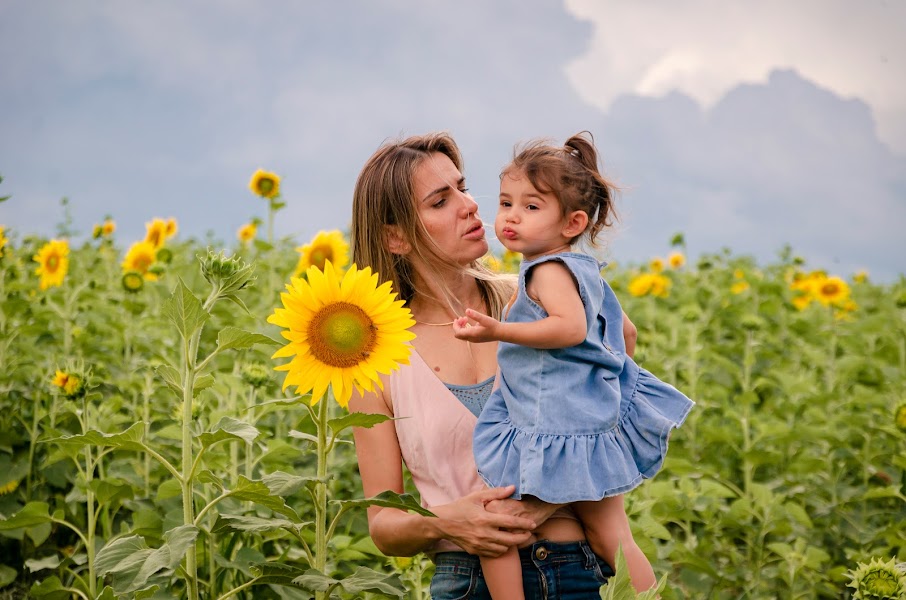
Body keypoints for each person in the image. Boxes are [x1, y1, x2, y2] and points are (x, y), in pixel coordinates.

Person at [348, 132, 638, 598]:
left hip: (577, 571)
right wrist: (449, 521)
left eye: (462, 187)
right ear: (395, 237)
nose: (469, 205)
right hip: (468, 583)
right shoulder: (376, 358)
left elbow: (615, 385)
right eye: (441, 201)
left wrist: (547, 496)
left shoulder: (541, 298)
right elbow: (382, 524)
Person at [451, 132, 695, 598]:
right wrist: (599, 386)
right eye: (505, 203)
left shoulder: (546, 271)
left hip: (550, 425)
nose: (511, 217)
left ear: (573, 222)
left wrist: (498, 331)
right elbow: (626, 334)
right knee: (612, 535)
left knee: (497, 524)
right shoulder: (584, 269)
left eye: (532, 207)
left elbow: (568, 329)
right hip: (587, 423)